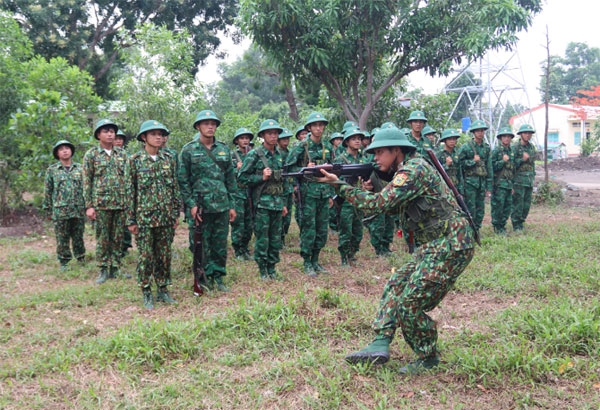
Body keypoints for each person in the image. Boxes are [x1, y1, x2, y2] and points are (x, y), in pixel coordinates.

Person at [317, 126, 477, 374]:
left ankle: (428, 357)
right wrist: (374, 189)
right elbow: (395, 208)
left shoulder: (413, 170)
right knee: (396, 283)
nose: (375, 158)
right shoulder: (403, 172)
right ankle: (380, 342)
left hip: (451, 243)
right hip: (433, 245)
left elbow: (377, 205)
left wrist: (339, 185)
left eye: (380, 152)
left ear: (397, 151)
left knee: (410, 303)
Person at [178, 109, 237, 292]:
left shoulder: (224, 150)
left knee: (219, 244)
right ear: (198, 126)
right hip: (200, 206)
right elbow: (183, 180)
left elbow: (230, 179)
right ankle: (202, 277)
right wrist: (191, 205)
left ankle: (218, 276)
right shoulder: (188, 150)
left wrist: (232, 205)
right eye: (206, 124)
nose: (210, 127)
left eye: (213, 124)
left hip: (221, 204)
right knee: (199, 244)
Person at [127, 120, 181, 309]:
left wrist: (175, 214)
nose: (159, 137)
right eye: (154, 134)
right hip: (144, 219)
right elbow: (129, 192)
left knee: (164, 255)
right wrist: (131, 220)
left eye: (161, 134)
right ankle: (146, 290)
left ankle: (163, 289)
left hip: (165, 217)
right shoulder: (134, 160)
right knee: (146, 256)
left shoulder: (168, 159)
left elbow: (174, 187)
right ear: (144, 137)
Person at [285, 112, 334, 276]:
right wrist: (305, 168)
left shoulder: (327, 146)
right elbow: (288, 169)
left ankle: (316, 260)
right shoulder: (301, 146)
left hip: (323, 193)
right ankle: (307, 262)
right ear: (309, 128)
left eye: (321, 125)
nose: (319, 128)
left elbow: (333, 171)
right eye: (315, 125)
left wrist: (331, 195)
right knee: (308, 229)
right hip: (307, 195)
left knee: (321, 229)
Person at [238, 119, 288, 280]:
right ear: (262, 136)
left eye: (275, 133)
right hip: (262, 204)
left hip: (277, 203)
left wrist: (285, 203)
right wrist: (261, 177)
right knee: (262, 238)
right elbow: (242, 177)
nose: (273, 136)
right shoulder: (255, 154)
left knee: (275, 238)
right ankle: (262, 269)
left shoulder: (280, 155)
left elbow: (284, 180)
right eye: (269, 133)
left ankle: (272, 268)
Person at [83, 119, 130, 284]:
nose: (110, 134)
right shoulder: (91, 155)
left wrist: (129, 203)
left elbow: (128, 179)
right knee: (103, 238)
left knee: (118, 238)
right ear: (98, 135)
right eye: (106, 131)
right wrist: (89, 206)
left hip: (120, 203)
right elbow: (87, 181)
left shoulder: (122, 154)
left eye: (112, 131)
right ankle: (103, 269)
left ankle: (115, 268)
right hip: (101, 204)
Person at [43, 140, 86, 271]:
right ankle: (64, 261)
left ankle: (81, 257)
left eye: (67, 148)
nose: (65, 151)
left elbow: (86, 188)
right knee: (62, 237)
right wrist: (48, 209)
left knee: (78, 235)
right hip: (60, 210)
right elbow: (48, 190)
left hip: (78, 209)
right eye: (61, 149)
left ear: (71, 151)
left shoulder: (80, 168)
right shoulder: (52, 170)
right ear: (57, 153)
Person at [334, 127, 367, 266]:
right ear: (347, 142)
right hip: (346, 199)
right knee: (346, 229)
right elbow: (335, 180)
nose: (357, 141)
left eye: (359, 139)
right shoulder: (340, 159)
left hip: (359, 197)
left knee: (358, 230)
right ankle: (344, 258)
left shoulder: (362, 158)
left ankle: (352, 255)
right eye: (354, 139)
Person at [458, 119, 492, 233]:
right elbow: (459, 164)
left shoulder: (486, 148)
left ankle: (476, 229)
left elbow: (489, 167)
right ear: (473, 132)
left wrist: (489, 186)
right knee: (470, 208)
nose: (480, 133)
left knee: (480, 209)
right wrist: (472, 161)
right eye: (477, 131)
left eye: (482, 131)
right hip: (470, 183)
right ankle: (469, 230)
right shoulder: (466, 147)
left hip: (481, 183)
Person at [230, 127, 255, 260]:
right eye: (242, 138)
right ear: (237, 141)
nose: (245, 140)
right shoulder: (232, 156)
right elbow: (227, 174)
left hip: (250, 192)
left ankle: (245, 248)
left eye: (247, 138)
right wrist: (237, 169)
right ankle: (238, 250)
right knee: (238, 223)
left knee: (249, 222)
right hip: (238, 193)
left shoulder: (253, 154)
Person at [511, 124, 537, 233]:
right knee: (518, 204)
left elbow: (532, 164)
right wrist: (522, 159)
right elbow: (511, 165)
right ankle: (516, 224)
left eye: (529, 133)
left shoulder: (531, 147)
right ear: (521, 134)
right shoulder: (515, 147)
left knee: (526, 204)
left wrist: (533, 176)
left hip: (529, 180)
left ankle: (521, 221)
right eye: (525, 133)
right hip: (519, 181)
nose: (527, 135)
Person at [491, 127, 516, 235]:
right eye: (504, 136)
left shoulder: (511, 151)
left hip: (509, 184)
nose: (506, 138)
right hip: (499, 184)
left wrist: (513, 185)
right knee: (498, 207)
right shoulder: (496, 151)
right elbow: (491, 167)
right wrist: (502, 161)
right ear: (501, 138)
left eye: (508, 136)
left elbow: (513, 169)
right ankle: (497, 227)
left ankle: (503, 225)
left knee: (507, 207)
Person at [114, 129, 133, 257]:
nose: (119, 141)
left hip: (125, 195)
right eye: (117, 138)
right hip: (108, 197)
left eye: (121, 139)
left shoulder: (127, 156)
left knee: (126, 223)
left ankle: (125, 246)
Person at [277, 128, 295, 245]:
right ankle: (278, 239)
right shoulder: (277, 153)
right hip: (279, 188)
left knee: (287, 216)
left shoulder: (290, 153)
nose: (286, 141)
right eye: (283, 139)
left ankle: (283, 237)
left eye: (287, 138)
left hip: (288, 188)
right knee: (280, 215)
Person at [435, 128, 463, 195]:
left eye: (454, 139)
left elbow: (460, 173)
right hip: (443, 186)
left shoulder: (457, 153)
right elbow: (435, 172)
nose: (452, 141)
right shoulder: (438, 154)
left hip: (455, 186)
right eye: (450, 139)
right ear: (445, 140)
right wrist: (446, 165)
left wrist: (461, 192)